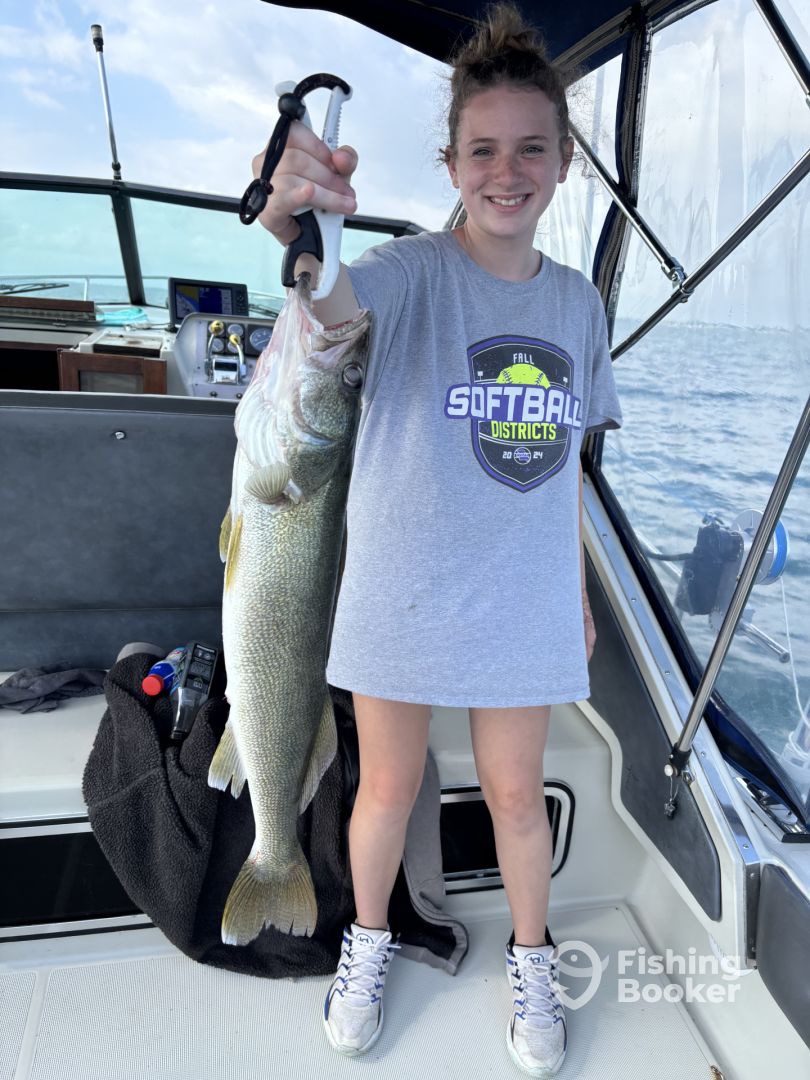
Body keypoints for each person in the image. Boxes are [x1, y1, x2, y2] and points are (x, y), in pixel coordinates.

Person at [253, 3, 622, 1075]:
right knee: (388, 788)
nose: (507, 172)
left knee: (516, 797)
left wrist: (576, 591)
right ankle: (365, 942)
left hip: (522, 597)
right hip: (399, 589)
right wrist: (296, 229)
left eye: (531, 149)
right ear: (451, 163)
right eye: (483, 150)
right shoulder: (410, 271)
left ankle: (532, 960)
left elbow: (568, 468)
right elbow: (329, 305)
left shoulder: (579, 304)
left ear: (564, 161)